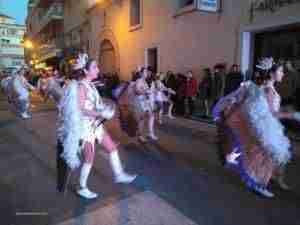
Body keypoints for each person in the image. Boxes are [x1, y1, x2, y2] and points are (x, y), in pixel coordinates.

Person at [213, 57, 299, 198]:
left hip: (266, 127)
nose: (283, 73)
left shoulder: (263, 87)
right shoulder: (267, 90)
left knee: (264, 155)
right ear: (272, 74)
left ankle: (268, 179)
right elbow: (272, 113)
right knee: (264, 156)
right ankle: (258, 183)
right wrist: (292, 115)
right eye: (281, 71)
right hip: (265, 128)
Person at [57, 54, 137, 199]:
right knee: (89, 158)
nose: (98, 69)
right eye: (95, 67)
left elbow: (95, 105)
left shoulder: (91, 85)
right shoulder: (81, 86)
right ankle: (82, 187)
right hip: (85, 128)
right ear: (86, 71)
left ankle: (119, 175)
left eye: (97, 67)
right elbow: (81, 109)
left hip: (95, 125)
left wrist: (105, 110)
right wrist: (101, 114)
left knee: (112, 148)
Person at [131, 67, 158, 142]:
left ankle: (150, 133)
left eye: (147, 72)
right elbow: (137, 91)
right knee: (142, 119)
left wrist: (150, 92)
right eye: (145, 72)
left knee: (151, 115)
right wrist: (145, 92)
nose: (147, 73)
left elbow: (146, 91)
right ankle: (140, 136)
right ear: (141, 73)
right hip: (139, 102)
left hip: (145, 102)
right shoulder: (139, 81)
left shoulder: (145, 81)